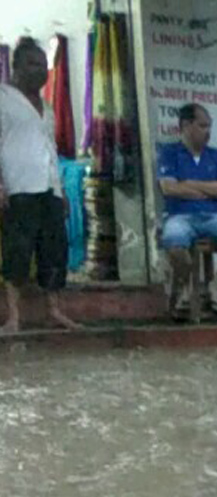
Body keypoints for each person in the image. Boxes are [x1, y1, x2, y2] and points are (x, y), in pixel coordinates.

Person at [0, 38, 79, 333]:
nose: (40, 71)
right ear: (16, 67)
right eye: (33, 64)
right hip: (18, 187)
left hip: (49, 190)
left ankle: (54, 311)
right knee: (17, 251)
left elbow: (50, 150)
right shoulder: (3, 99)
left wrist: (61, 191)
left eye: (43, 66)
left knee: (54, 250)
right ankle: (14, 317)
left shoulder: (47, 107)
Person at [157, 103, 217, 318]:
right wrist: (211, 189)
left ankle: (215, 284)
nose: (207, 131)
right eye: (202, 126)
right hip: (179, 217)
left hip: (212, 218)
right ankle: (187, 288)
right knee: (173, 242)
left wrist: (189, 184)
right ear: (186, 125)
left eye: (209, 126)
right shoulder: (169, 153)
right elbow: (168, 188)